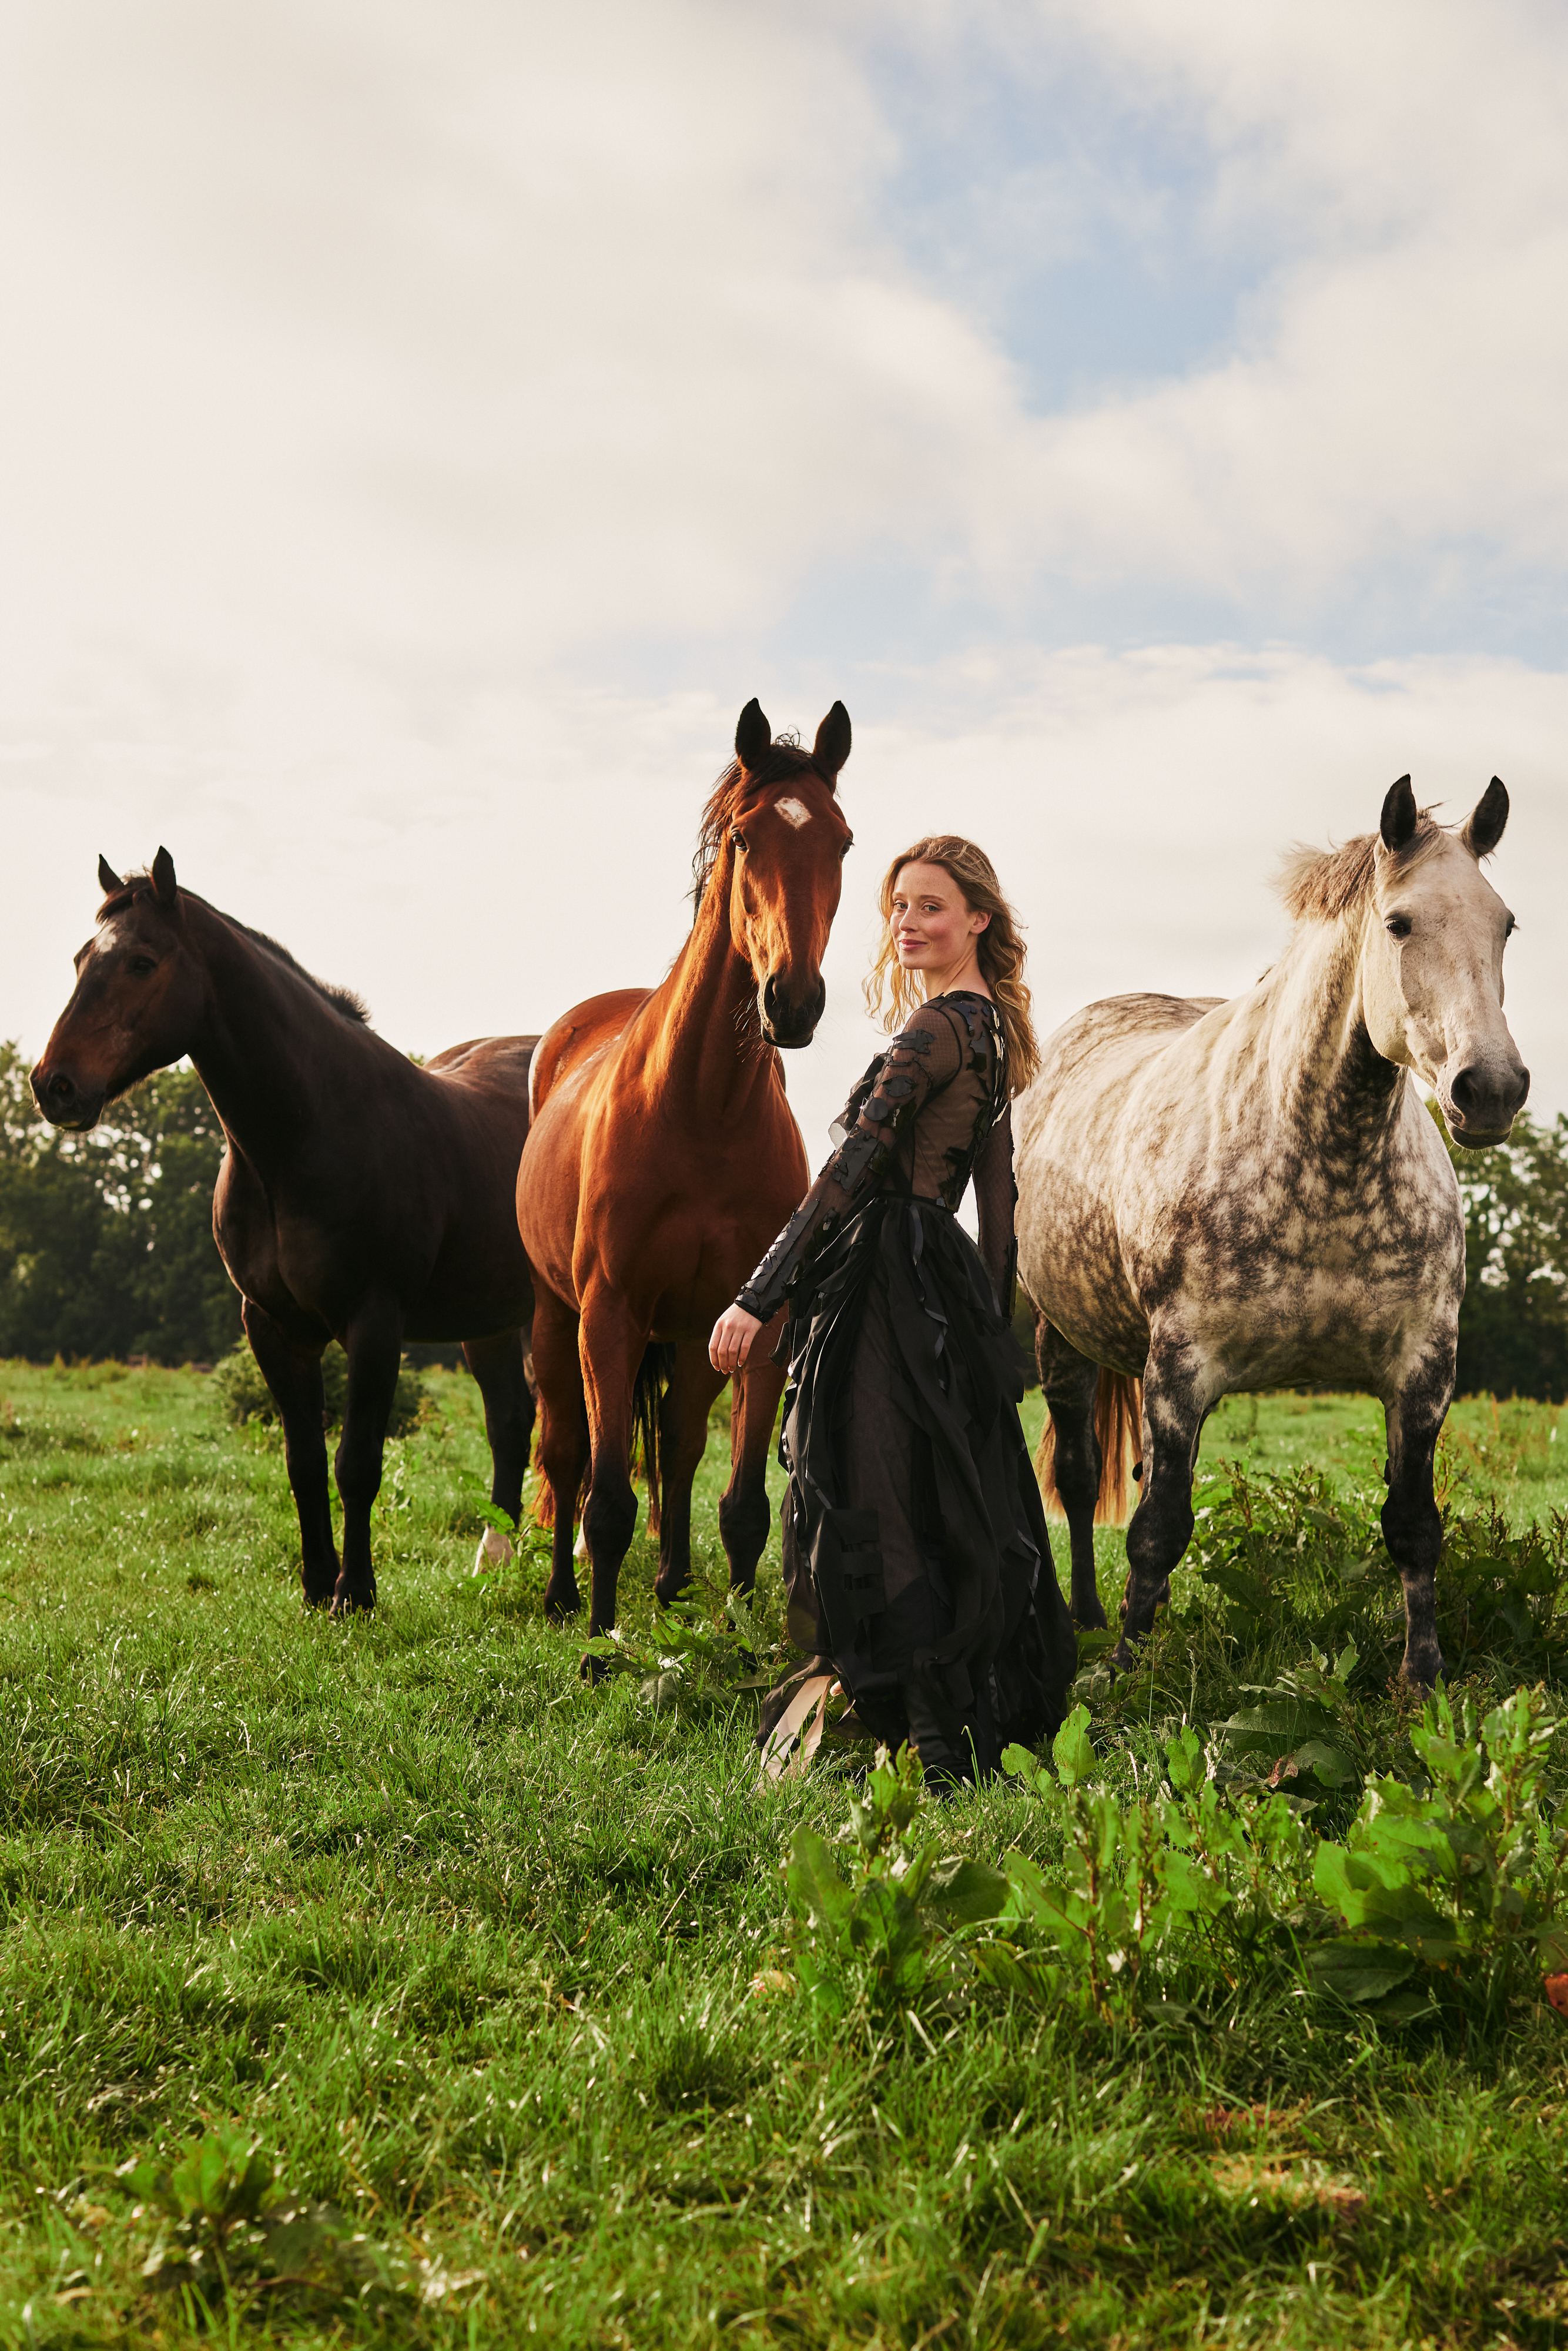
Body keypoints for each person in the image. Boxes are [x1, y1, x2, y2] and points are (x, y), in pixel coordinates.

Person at [708, 836, 1076, 1784]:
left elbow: (851, 1169)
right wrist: (985, 1324)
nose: (908, 924)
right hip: (939, 1279)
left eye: (932, 908)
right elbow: (999, 1208)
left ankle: (933, 1743)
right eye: (899, 908)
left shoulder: (936, 1031)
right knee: (933, 1490)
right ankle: (933, 1718)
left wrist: (760, 1295)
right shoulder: (998, 1035)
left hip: (887, 1269)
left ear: (979, 921)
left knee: (875, 1496)